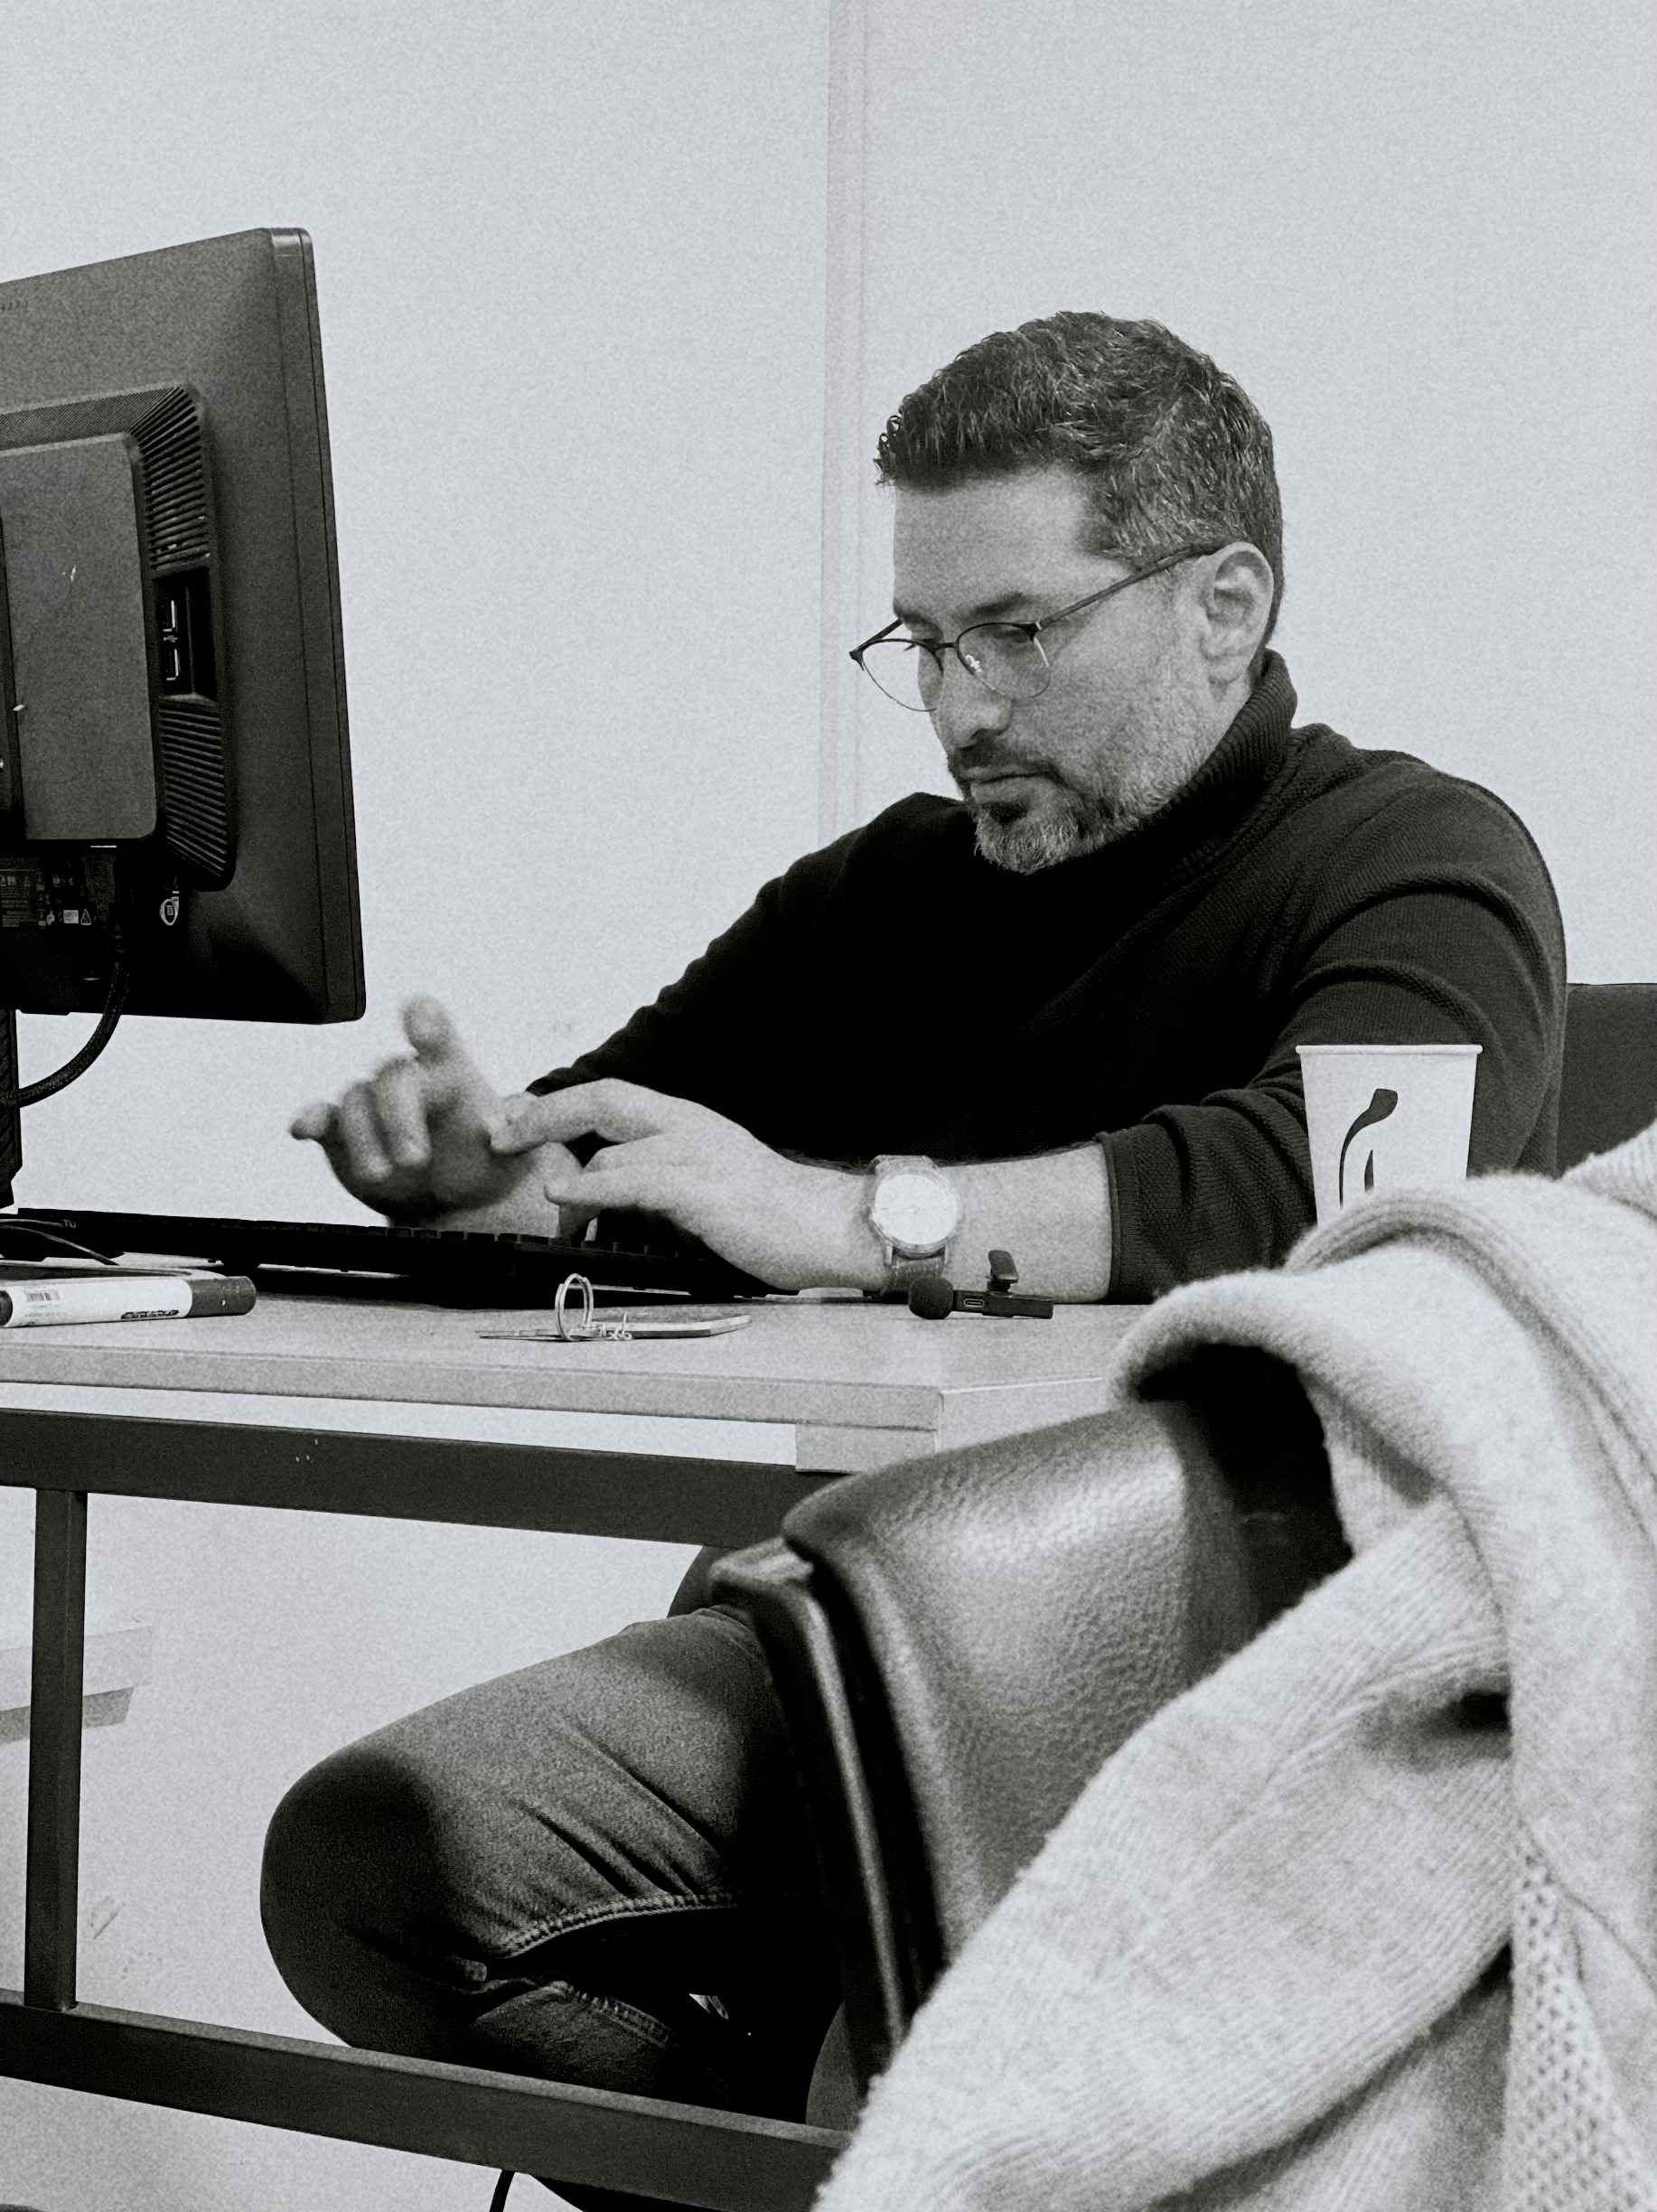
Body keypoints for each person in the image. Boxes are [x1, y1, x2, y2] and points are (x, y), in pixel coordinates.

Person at [259, 314, 1567, 2191]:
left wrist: (864, 1216)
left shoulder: (1416, 860)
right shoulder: (893, 890)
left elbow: (1311, 1195)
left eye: (1016, 633)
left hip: (1243, 1670)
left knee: (408, 1865)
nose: (961, 710)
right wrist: (487, 1178)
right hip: (886, 1614)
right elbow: (641, 1147)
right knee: (377, 1866)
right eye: (924, 645)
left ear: (1223, 605)